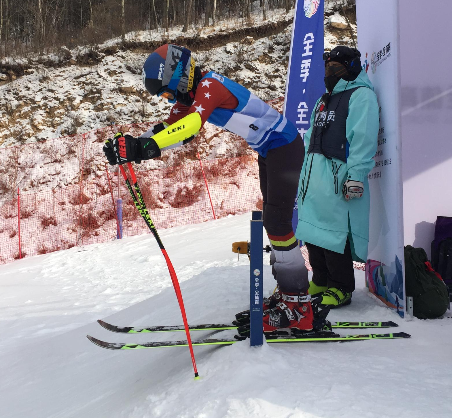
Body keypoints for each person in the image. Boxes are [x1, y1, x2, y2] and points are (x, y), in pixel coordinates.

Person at [103, 43, 312, 332]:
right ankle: (290, 294)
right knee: (274, 221)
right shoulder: (191, 95)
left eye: (165, 91)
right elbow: (170, 129)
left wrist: (144, 146)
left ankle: (299, 305)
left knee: (277, 222)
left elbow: (190, 126)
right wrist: (134, 146)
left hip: (284, 145)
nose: (165, 98)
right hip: (269, 148)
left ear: (175, 75)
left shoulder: (210, 85)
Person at [295, 45, 380, 311]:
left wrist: (356, 176)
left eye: (337, 68)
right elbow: (310, 137)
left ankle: (341, 287)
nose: (331, 73)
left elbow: (363, 137)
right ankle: (320, 281)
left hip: (336, 178)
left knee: (334, 235)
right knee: (314, 233)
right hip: (314, 179)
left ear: (352, 68)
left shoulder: (361, 96)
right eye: (328, 68)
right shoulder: (324, 100)